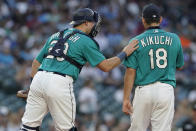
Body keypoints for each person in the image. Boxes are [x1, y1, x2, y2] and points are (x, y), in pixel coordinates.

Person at [17, 8, 138, 131]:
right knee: (67, 129)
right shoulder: (86, 40)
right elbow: (105, 67)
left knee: (28, 127)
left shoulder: (56, 35)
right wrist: (124, 53)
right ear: (86, 23)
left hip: (38, 79)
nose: (95, 26)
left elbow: (36, 63)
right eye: (93, 23)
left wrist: (31, 87)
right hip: (59, 82)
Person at [122, 3, 184, 131]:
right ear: (160, 20)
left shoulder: (135, 41)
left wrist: (126, 98)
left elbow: (130, 72)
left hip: (144, 90)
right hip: (165, 90)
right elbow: (179, 66)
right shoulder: (175, 38)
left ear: (143, 20)